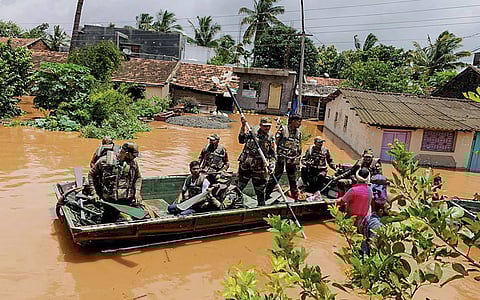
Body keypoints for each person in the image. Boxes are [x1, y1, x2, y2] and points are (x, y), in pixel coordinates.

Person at [88, 142, 142, 223]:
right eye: (133, 155)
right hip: (110, 201)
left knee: (137, 218)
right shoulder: (104, 161)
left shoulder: (133, 163)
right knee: (107, 222)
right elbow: (91, 175)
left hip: (127, 200)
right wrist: (94, 193)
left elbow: (138, 177)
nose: (134, 158)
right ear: (126, 154)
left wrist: (137, 193)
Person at [237, 116, 276, 206]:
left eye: (269, 126)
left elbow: (272, 154)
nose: (267, 128)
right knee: (239, 187)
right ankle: (234, 204)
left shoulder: (270, 137)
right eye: (265, 126)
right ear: (260, 125)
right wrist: (243, 126)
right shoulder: (252, 132)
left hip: (259, 168)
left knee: (260, 191)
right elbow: (241, 140)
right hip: (246, 166)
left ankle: (261, 208)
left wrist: (272, 166)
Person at [266, 114, 303, 200]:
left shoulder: (298, 132)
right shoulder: (283, 129)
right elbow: (276, 142)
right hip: (281, 158)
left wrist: (298, 159)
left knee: (293, 179)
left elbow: (299, 146)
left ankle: (295, 196)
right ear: (292, 121)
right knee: (275, 176)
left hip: (292, 160)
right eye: (298, 121)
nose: (300, 123)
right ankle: (266, 194)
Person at [336, 167, 372, 231]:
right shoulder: (370, 191)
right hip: (363, 221)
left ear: (356, 177)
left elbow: (341, 201)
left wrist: (337, 200)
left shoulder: (352, 190)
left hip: (350, 220)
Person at [361, 175, 389, 255]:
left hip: (365, 247)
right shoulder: (377, 223)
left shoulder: (369, 217)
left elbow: (361, 229)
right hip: (372, 252)